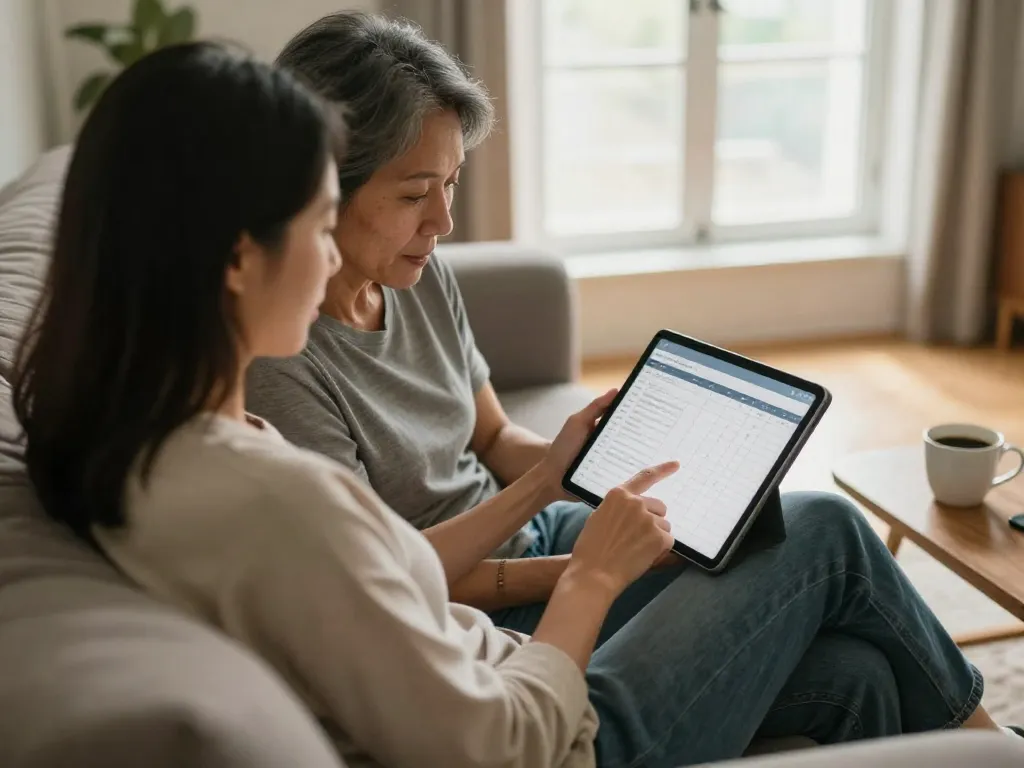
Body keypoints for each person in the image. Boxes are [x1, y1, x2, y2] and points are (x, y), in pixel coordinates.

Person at [11, 38, 1011, 768]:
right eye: (320, 221)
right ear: (236, 256)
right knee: (827, 531)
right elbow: (500, 744)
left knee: (859, 674)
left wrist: (558, 486)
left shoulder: (150, 429)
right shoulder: (268, 487)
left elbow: (412, 558)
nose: (327, 255)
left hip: (503, 658)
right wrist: (585, 579)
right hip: (564, 732)